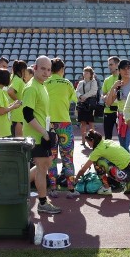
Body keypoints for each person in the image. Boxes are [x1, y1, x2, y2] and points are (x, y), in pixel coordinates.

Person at [22, 56, 61, 215]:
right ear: (35, 68)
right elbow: (27, 114)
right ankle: (43, 203)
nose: (46, 72)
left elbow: (42, 113)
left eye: (49, 69)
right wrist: (44, 133)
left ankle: (19, 183)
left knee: (44, 165)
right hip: (36, 136)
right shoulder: (32, 87)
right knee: (42, 167)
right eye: (43, 68)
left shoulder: (42, 85)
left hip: (42, 134)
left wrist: (50, 130)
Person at [45, 57, 78, 198]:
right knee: (68, 158)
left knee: (51, 158)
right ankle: (71, 189)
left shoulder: (44, 83)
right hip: (65, 123)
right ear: (62, 70)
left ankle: (53, 189)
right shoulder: (67, 83)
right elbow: (73, 99)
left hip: (49, 124)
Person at [76, 129, 130, 195]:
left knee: (98, 163)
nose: (88, 144)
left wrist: (76, 179)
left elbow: (83, 169)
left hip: (125, 174)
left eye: (88, 142)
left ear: (93, 141)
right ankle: (128, 183)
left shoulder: (98, 151)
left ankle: (106, 188)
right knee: (107, 160)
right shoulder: (108, 141)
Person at [105, 59, 130, 149]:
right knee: (123, 147)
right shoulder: (117, 86)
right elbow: (108, 103)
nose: (127, 71)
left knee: (129, 147)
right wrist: (113, 88)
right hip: (121, 121)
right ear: (119, 70)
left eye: (128, 68)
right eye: (124, 69)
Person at [0, 68, 20, 139]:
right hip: (2, 129)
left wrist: (12, 105)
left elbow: (2, 107)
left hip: (2, 128)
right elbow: (1, 111)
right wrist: (13, 107)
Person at [76, 66, 98, 147]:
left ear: (91, 74)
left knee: (91, 123)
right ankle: (83, 140)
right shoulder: (81, 82)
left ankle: (93, 140)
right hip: (82, 104)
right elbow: (77, 91)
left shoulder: (93, 81)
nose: (85, 74)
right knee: (83, 123)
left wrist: (84, 97)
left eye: (87, 72)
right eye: (84, 72)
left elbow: (93, 91)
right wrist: (80, 96)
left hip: (89, 104)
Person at [100, 56, 120, 140]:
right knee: (108, 138)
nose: (109, 67)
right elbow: (103, 95)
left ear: (117, 65)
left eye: (111, 64)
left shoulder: (123, 79)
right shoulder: (107, 80)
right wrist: (104, 97)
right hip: (108, 111)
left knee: (122, 137)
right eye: (109, 65)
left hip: (120, 112)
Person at [7, 60, 28, 138]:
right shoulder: (17, 80)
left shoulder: (14, 78)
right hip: (18, 115)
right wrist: (19, 101)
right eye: (26, 70)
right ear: (23, 70)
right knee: (18, 140)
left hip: (18, 114)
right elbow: (10, 91)